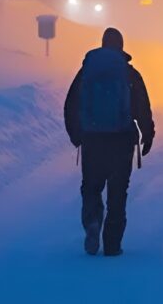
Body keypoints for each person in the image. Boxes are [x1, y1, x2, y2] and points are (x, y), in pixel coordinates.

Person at [64, 27, 155, 256]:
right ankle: (112, 245)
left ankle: (93, 222)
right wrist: (148, 134)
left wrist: (77, 135)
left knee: (91, 187)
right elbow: (142, 107)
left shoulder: (86, 72)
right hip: (121, 141)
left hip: (93, 141)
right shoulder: (129, 73)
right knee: (117, 193)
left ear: (103, 44)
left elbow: (70, 105)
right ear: (121, 47)